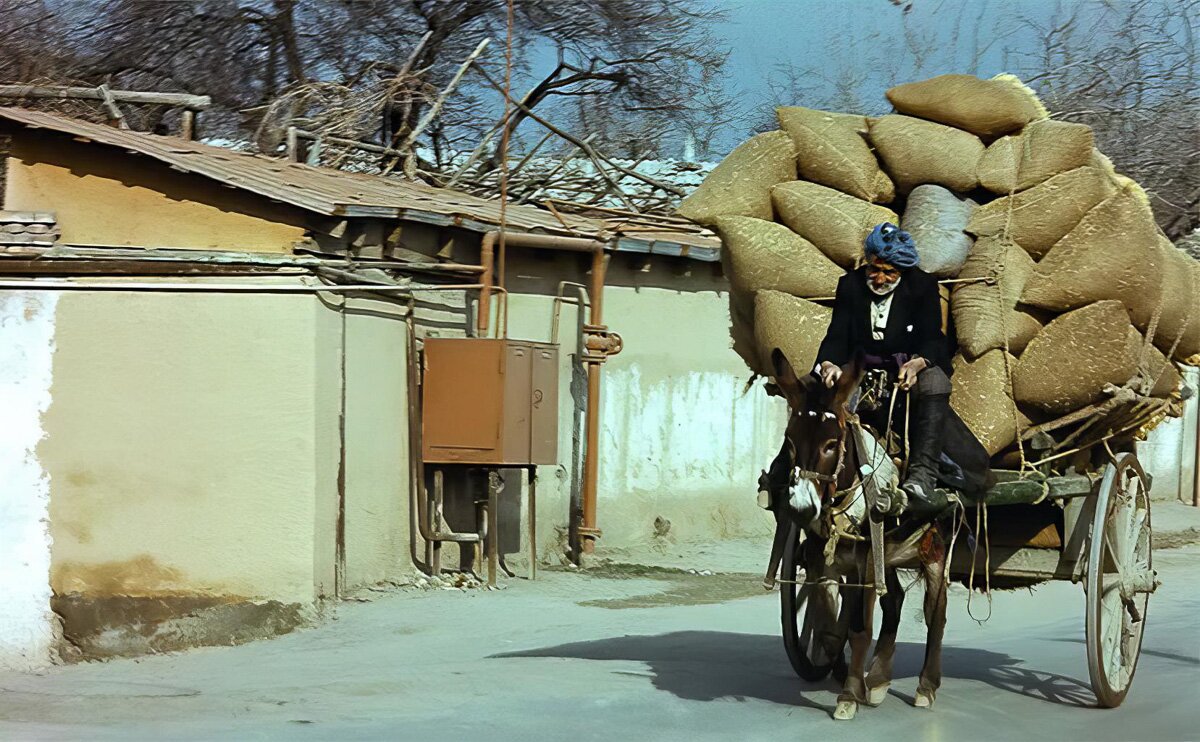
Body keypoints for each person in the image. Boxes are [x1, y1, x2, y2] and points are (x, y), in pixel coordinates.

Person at [814, 222, 989, 512]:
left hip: (905, 368)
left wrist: (918, 363)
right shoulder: (850, 285)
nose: (880, 278)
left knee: (935, 382)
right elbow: (836, 336)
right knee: (816, 390)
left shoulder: (922, 285)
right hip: (861, 367)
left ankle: (923, 474)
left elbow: (933, 337)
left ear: (903, 271)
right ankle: (809, 472)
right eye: (875, 269)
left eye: (889, 272)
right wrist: (829, 363)